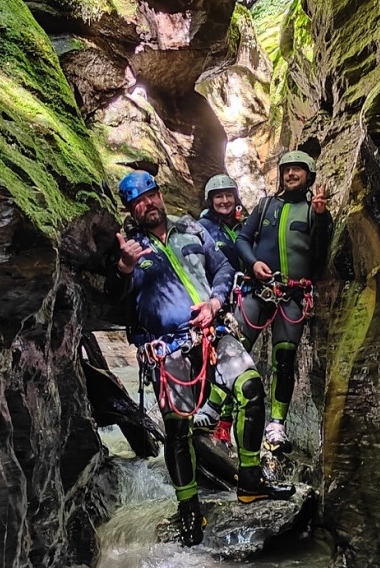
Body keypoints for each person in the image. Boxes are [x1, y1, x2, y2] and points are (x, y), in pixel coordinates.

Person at [106, 170, 293, 548]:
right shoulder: (127, 249)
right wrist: (124, 269)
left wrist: (215, 301)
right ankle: (189, 506)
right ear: (130, 208)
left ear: (160, 195)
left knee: (251, 387)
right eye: (138, 202)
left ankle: (251, 480)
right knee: (177, 429)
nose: (148, 205)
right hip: (167, 349)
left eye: (151, 195)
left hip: (214, 334)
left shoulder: (192, 228)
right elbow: (113, 302)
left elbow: (223, 267)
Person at [234, 151, 332, 453]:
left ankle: (276, 425)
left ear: (308, 176)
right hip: (257, 290)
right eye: (287, 170)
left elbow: (319, 255)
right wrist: (252, 264)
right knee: (234, 352)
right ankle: (219, 415)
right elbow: (242, 240)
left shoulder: (314, 210)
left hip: (292, 297)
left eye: (297, 171)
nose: (291, 174)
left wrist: (320, 216)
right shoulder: (265, 206)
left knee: (285, 360)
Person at [195, 174, 244, 443]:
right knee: (214, 362)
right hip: (214, 304)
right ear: (210, 200)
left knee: (235, 362)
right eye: (218, 196)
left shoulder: (242, 226)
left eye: (228, 195)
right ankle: (210, 421)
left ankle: (224, 426)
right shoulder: (202, 228)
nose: (224, 201)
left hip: (241, 302)